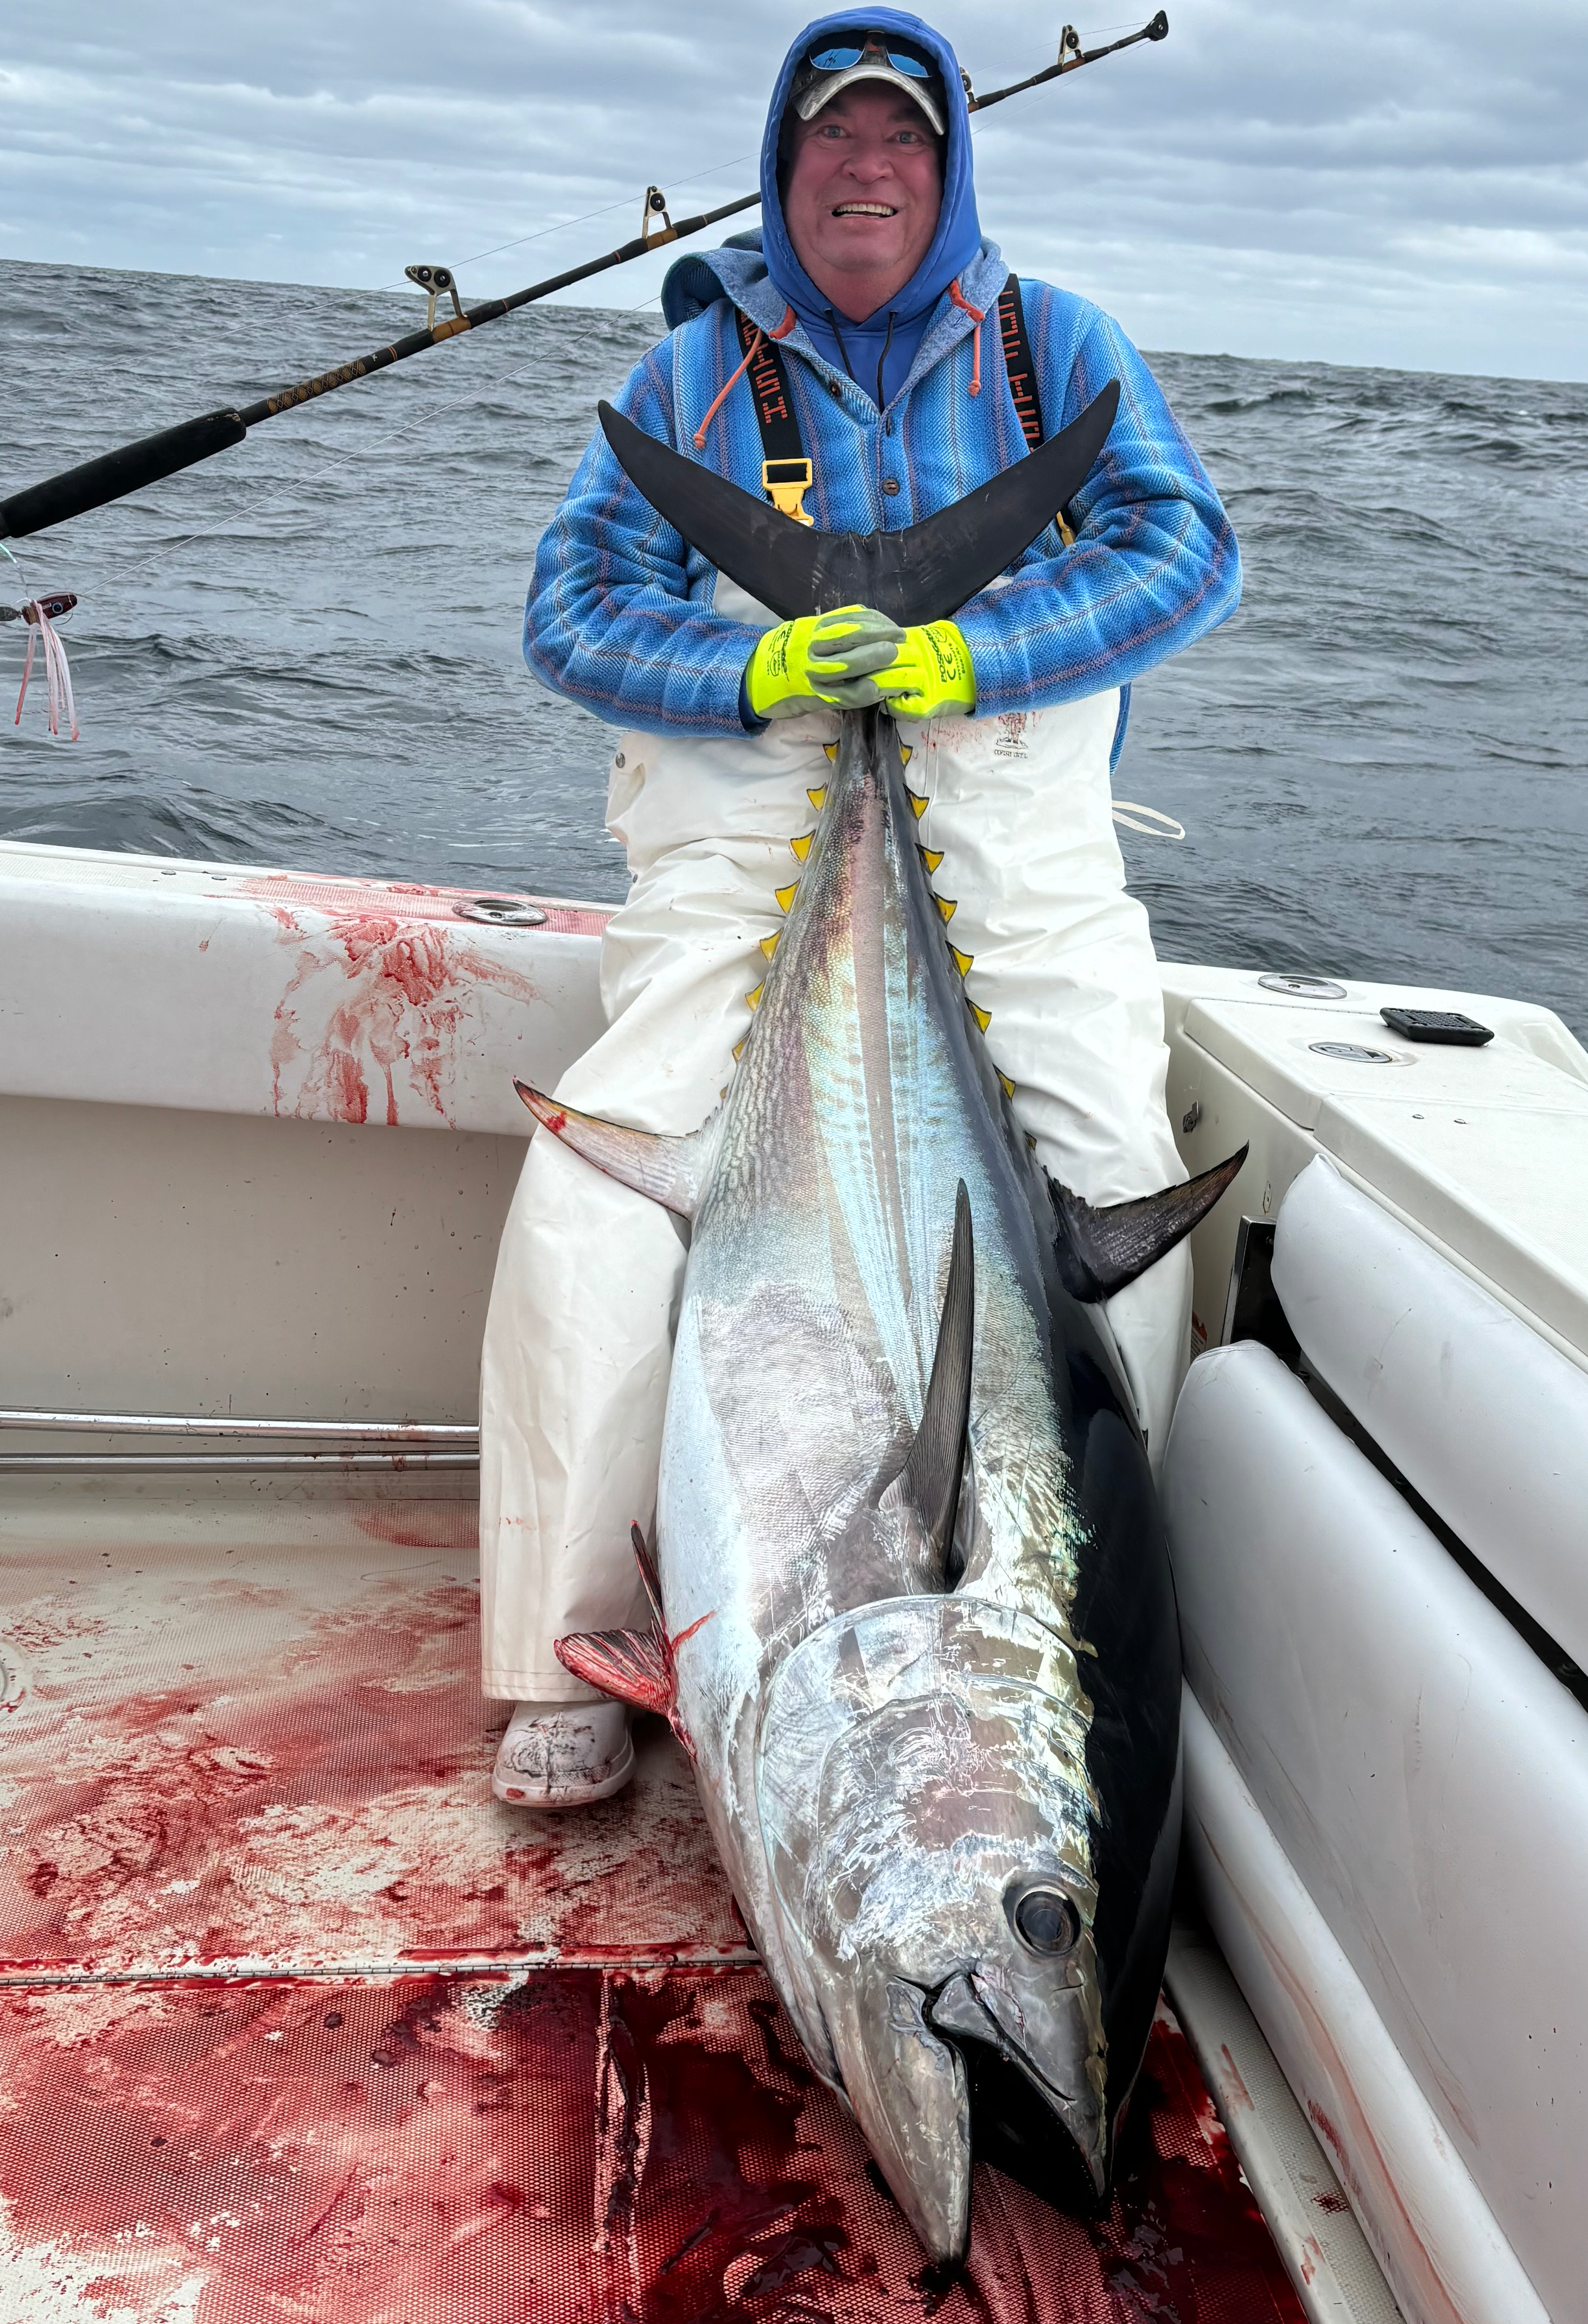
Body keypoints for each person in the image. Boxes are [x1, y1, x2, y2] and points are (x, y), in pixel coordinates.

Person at [482, 10, 1241, 1805]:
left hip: (1009, 836)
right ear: (785, 164)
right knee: (596, 1184)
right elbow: (568, 605)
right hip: (748, 840)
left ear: (950, 164)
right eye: (835, 143)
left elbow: (1181, 547)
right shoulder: (689, 381)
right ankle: (565, 1642)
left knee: (1120, 1184)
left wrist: (974, 641)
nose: (868, 170)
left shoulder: (1057, 349)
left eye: (901, 140)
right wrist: (754, 663)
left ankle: (1089, 1646)